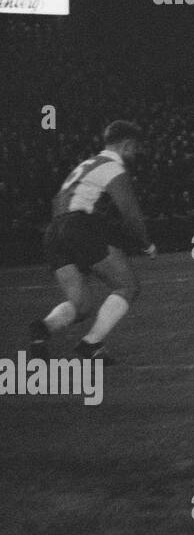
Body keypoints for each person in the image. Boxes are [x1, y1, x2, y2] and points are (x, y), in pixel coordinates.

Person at [30, 120, 157, 364]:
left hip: (54, 230)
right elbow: (130, 213)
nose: (137, 153)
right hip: (78, 225)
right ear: (127, 144)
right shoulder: (112, 167)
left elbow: (56, 201)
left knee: (81, 305)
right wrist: (146, 244)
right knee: (127, 286)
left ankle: (42, 330)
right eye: (136, 147)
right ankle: (91, 344)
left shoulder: (86, 165)